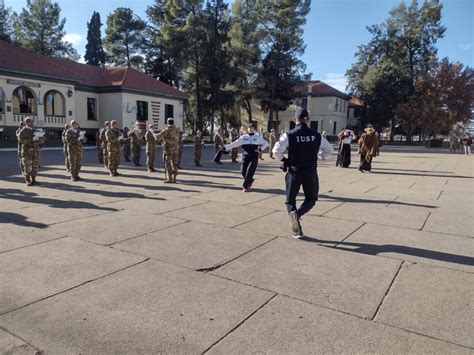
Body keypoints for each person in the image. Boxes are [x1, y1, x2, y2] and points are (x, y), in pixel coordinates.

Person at [272, 108, 334, 238]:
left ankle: (297, 229)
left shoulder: (289, 134)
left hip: (294, 172)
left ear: (295, 120)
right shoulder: (316, 135)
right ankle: (298, 214)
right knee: (311, 199)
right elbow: (329, 150)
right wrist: (318, 156)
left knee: (290, 201)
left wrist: (285, 160)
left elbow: (276, 151)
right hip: (310, 172)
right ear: (308, 120)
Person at [223, 123, 269, 192]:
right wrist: (225, 147)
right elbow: (235, 143)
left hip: (253, 157)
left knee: (249, 172)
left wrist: (260, 149)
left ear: (254, 129)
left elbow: (266, 143)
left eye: (252, 128)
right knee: (243, 172)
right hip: (245, 157)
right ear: (247, 129)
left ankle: (245, 186)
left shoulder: (258, 137)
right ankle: (250, 180)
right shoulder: (244, 137)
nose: (251, 129)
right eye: (250, 128)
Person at [18, 117, 46, 186]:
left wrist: (39, 138)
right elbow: (21, 140)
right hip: (26, 151)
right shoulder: (23, 131)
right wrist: (32, 139)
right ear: (26, 123)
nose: (31, 123)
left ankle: (33, 179)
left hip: (36, 151)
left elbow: (43, 139)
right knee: (27, 166)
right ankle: (27, 180)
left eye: (32, 122)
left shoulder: (36, 130)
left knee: (35, 166)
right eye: (29, 122)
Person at [155, 118, 181, 183]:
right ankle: (174, 178)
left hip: (169, 149)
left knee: (168, 163)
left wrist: (154, 134)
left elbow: (158, 137)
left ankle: (170, 179)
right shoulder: (177, 129)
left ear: (167, 123)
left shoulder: (167, 130)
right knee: (175, 163)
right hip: (176, 148)